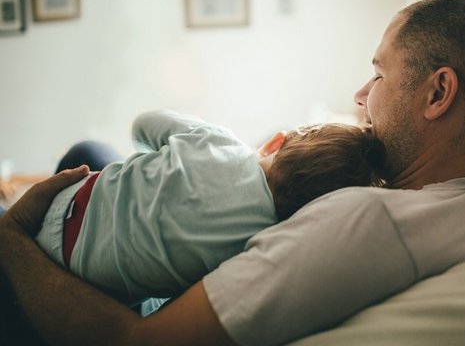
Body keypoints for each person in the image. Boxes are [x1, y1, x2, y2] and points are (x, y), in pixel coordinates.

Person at [0, 0, 465, 346]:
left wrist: (13, 235)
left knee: (84, 158)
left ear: (437, 93)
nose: (361, 95)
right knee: (90, 153)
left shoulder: (367, 225)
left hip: (73, 278)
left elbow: (135, 340)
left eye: (379, 73)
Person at [35, 109, 385, 304]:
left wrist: (156, 169)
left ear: (276, 140)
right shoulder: (254, 249)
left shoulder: (219, 142)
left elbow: (143, 125)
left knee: (91, 153)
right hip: (94, 286)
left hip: (59, 213)